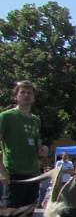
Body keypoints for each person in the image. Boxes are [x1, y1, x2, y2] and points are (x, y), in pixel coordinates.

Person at [0, 81, 41, 209]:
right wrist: (2, 172)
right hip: (13, 175)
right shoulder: (5, 117)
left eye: (29, 93)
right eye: (22, 92)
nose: (26, 95)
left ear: (33, 98)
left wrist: (42, 149)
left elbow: (36, 147)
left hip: (33, 176)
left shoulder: (36, 120)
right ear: (16, 96)